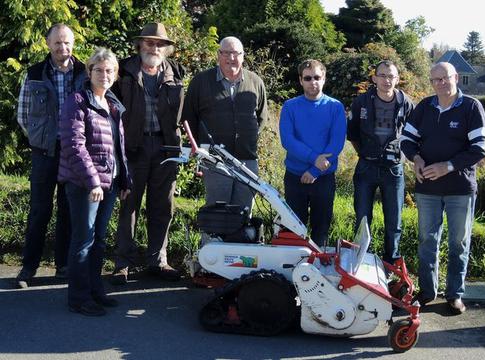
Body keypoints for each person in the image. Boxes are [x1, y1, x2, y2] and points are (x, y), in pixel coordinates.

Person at [401, 62, 485, 315]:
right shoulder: (425, 106)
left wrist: (448, 166)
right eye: (435, 79)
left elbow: (482, 147)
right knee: (427, 240)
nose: (440, 83)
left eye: (445, 78)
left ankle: (454, 295)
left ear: (456, 78)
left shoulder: (472, 107)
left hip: (459, 188)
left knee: (458, 243)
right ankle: (428, 292)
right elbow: (407, 139)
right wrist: (416, 159)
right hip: (427, 188)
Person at [58, 48, 131, 316]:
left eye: (110, 70)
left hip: (108, 185)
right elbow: (74, 146)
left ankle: (95, 289)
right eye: (98, 70)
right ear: (89, 72)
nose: (104, 74)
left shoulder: (112, 105)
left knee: (99, 240)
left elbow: (117, 148)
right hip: (84, 185)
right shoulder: (76, 101)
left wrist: (124, 180)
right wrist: (93, 183)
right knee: (83, 240)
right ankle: (78, 298)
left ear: (116, 74)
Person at [112, 23, 185, 284]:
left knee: (163, 206)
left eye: (159, 43)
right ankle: (122, 264)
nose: (154, 47)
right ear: (140, 44)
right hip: (134, 147)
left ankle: (157, 260)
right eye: (149, 42)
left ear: (165, 48)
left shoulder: (175, 73)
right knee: (128, 206)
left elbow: (184, 114)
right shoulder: (124, 71)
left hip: (166, 148)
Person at [15, 24, 87, 288]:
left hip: (73, 152)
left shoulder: (84, 72)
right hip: (44, 152)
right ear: (47, 44)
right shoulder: (35, 73)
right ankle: (28, 268)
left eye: (67, 42)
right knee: (39, 210)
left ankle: (63, 266)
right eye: (57, 43)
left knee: (68, 211)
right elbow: (23, 114)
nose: (62, 48)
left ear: (73, 44)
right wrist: (39, 138)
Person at [182, 36, 268, 213]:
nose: (231, 58)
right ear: (218, 55)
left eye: (236, 53)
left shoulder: (256, 82)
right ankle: (211, 242)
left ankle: (242, 242)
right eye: (226, 53)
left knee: (244, 212)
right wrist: (201, 150)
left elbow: (261, 118)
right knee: (216, 212)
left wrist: (247, 139)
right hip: (215, 160)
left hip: (247, 160)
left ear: (243, 56)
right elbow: (189, 118)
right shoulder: (201, 81)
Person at [347, 60, 414, 264]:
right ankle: (362, 260)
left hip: (393, 170)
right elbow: (353, 134)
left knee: (394, 221)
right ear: (374, 78)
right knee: (362, 219)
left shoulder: (406, 103)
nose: (387, 80)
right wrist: (366, 154)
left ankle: (390, 264)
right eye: (383, 75)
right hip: (366, 167)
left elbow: (413, 135)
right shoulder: (362, 102)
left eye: (391, 76)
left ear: (398, 79)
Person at [279, 59, 346, 247]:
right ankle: (294, 271)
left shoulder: (335, 107)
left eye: (317, 77)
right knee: (293, 230)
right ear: (300, 80)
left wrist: (315, 170)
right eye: (307, 78)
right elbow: (288, 140)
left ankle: (316, 271)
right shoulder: (290, 106)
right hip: (295, 177)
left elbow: (336, 142)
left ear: (324, 79)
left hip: (323, 178)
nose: (312, 82)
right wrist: (313, 159)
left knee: (321, 229)